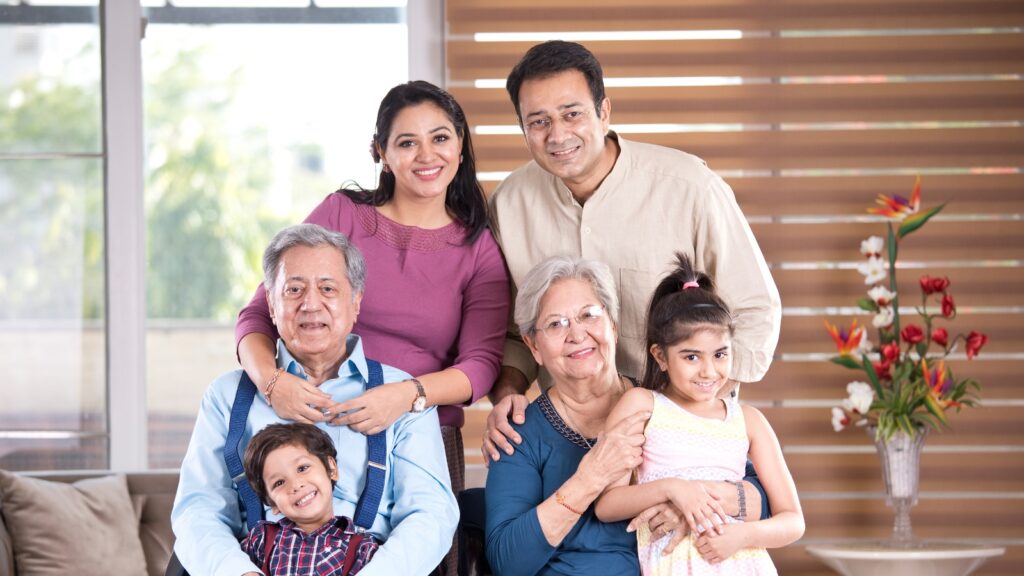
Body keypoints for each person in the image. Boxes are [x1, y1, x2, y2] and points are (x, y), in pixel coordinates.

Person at [234, 81, 508, 552]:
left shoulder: (477, 247)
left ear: (461, 145)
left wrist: (406, 396)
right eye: (407, 142)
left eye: (440, 138)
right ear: (380, 151)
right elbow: (260, 311)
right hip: (310, 424)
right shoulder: (342, 216)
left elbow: (480, 366)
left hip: (419, 434)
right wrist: (272, 383)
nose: (427, 154)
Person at [483, 40, 781, 463]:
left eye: (572, 114)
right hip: (568, 440)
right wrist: (508, 395)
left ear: (604, 111)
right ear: (522, 129)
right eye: (539, 121)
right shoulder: (510, 204)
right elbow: (514, 332)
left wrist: (694, 413)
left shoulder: (690, 187)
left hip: (688, 439)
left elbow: (755, 311)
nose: (558, 135)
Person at [172, 224, 457, 576]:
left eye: (327, 288)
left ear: (355, 303)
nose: (310, 304)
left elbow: (431, 514)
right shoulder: (226, 396)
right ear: (272, 307)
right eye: (294, 289)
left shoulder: (400, 395)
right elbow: (197, 509)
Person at [485, 256, 763, 576]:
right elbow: (508, 562)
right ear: (534, 346)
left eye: (589, 315)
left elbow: (763, 498)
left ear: (613, 327)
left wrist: (689, 502)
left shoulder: (666, 404)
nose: (577, 334)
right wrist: (589, 480)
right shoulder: (519, 433)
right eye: (556, 323)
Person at [595, 254, 804, 574]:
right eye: (691, 357)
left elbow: (792, 521)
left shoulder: (749, 421)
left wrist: (743, 534)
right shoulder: (642, 405)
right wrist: (672, 488)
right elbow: (607, 505)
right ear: (660, 356)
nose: (709, 371)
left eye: (720, 354)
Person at [240, 423, 381, 575]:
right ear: (272, 503)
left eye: (302, 468)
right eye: (279, 483)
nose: (295, 485)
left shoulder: (363, 549)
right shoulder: (261, 539)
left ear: (331, 468)